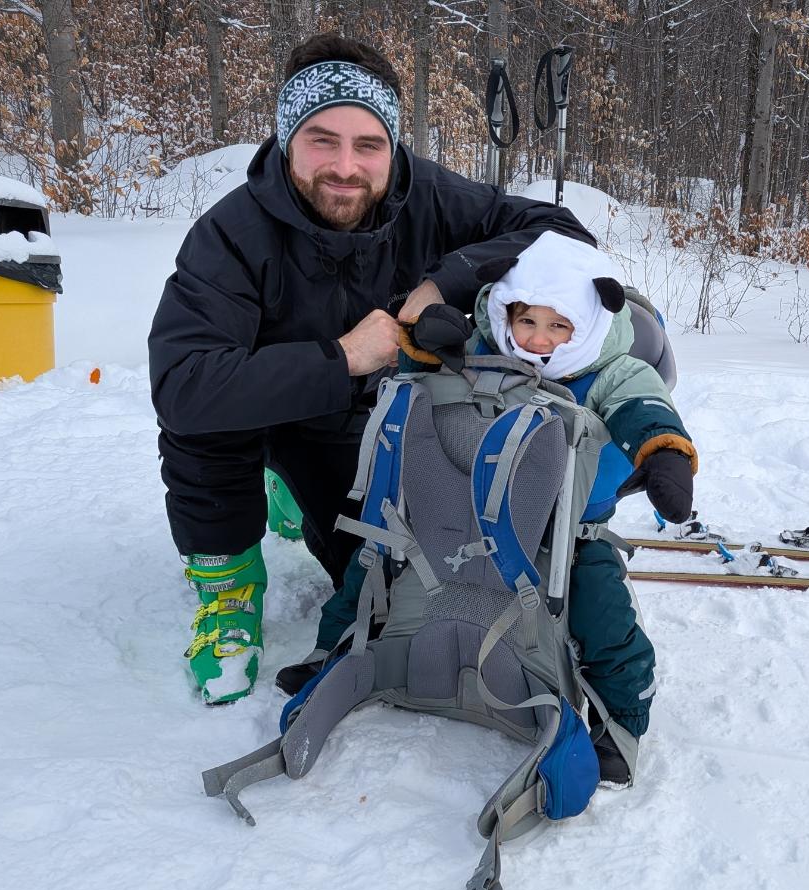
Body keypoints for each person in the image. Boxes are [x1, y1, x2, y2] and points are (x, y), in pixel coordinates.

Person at [148, 33, 593, 704]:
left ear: (391, 146)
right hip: (264, 413)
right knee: (203, 426)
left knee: (381, 594)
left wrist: (444, 281)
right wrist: (345, 356)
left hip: (362, 425)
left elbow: (561, 234)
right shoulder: (231, 235)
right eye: (322, 140)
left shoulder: (426, 195)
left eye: (368, 144)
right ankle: (228, 587)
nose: (346, 166)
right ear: (287, 140)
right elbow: (184, 387)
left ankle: (293, 491)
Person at [302, 230, 696, 782]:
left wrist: (664, 450)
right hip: (461, 505)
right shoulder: (487, 346)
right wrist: (426, 344)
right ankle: (331, 657)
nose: (537, 339)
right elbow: (422, 376)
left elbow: (642, 402)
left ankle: (620, 719)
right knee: (373, 564)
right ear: (505, 311)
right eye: (527, 320)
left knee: (599, 608)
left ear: (587, 325)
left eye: (559, 326)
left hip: (569, 525)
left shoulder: (611, 367)